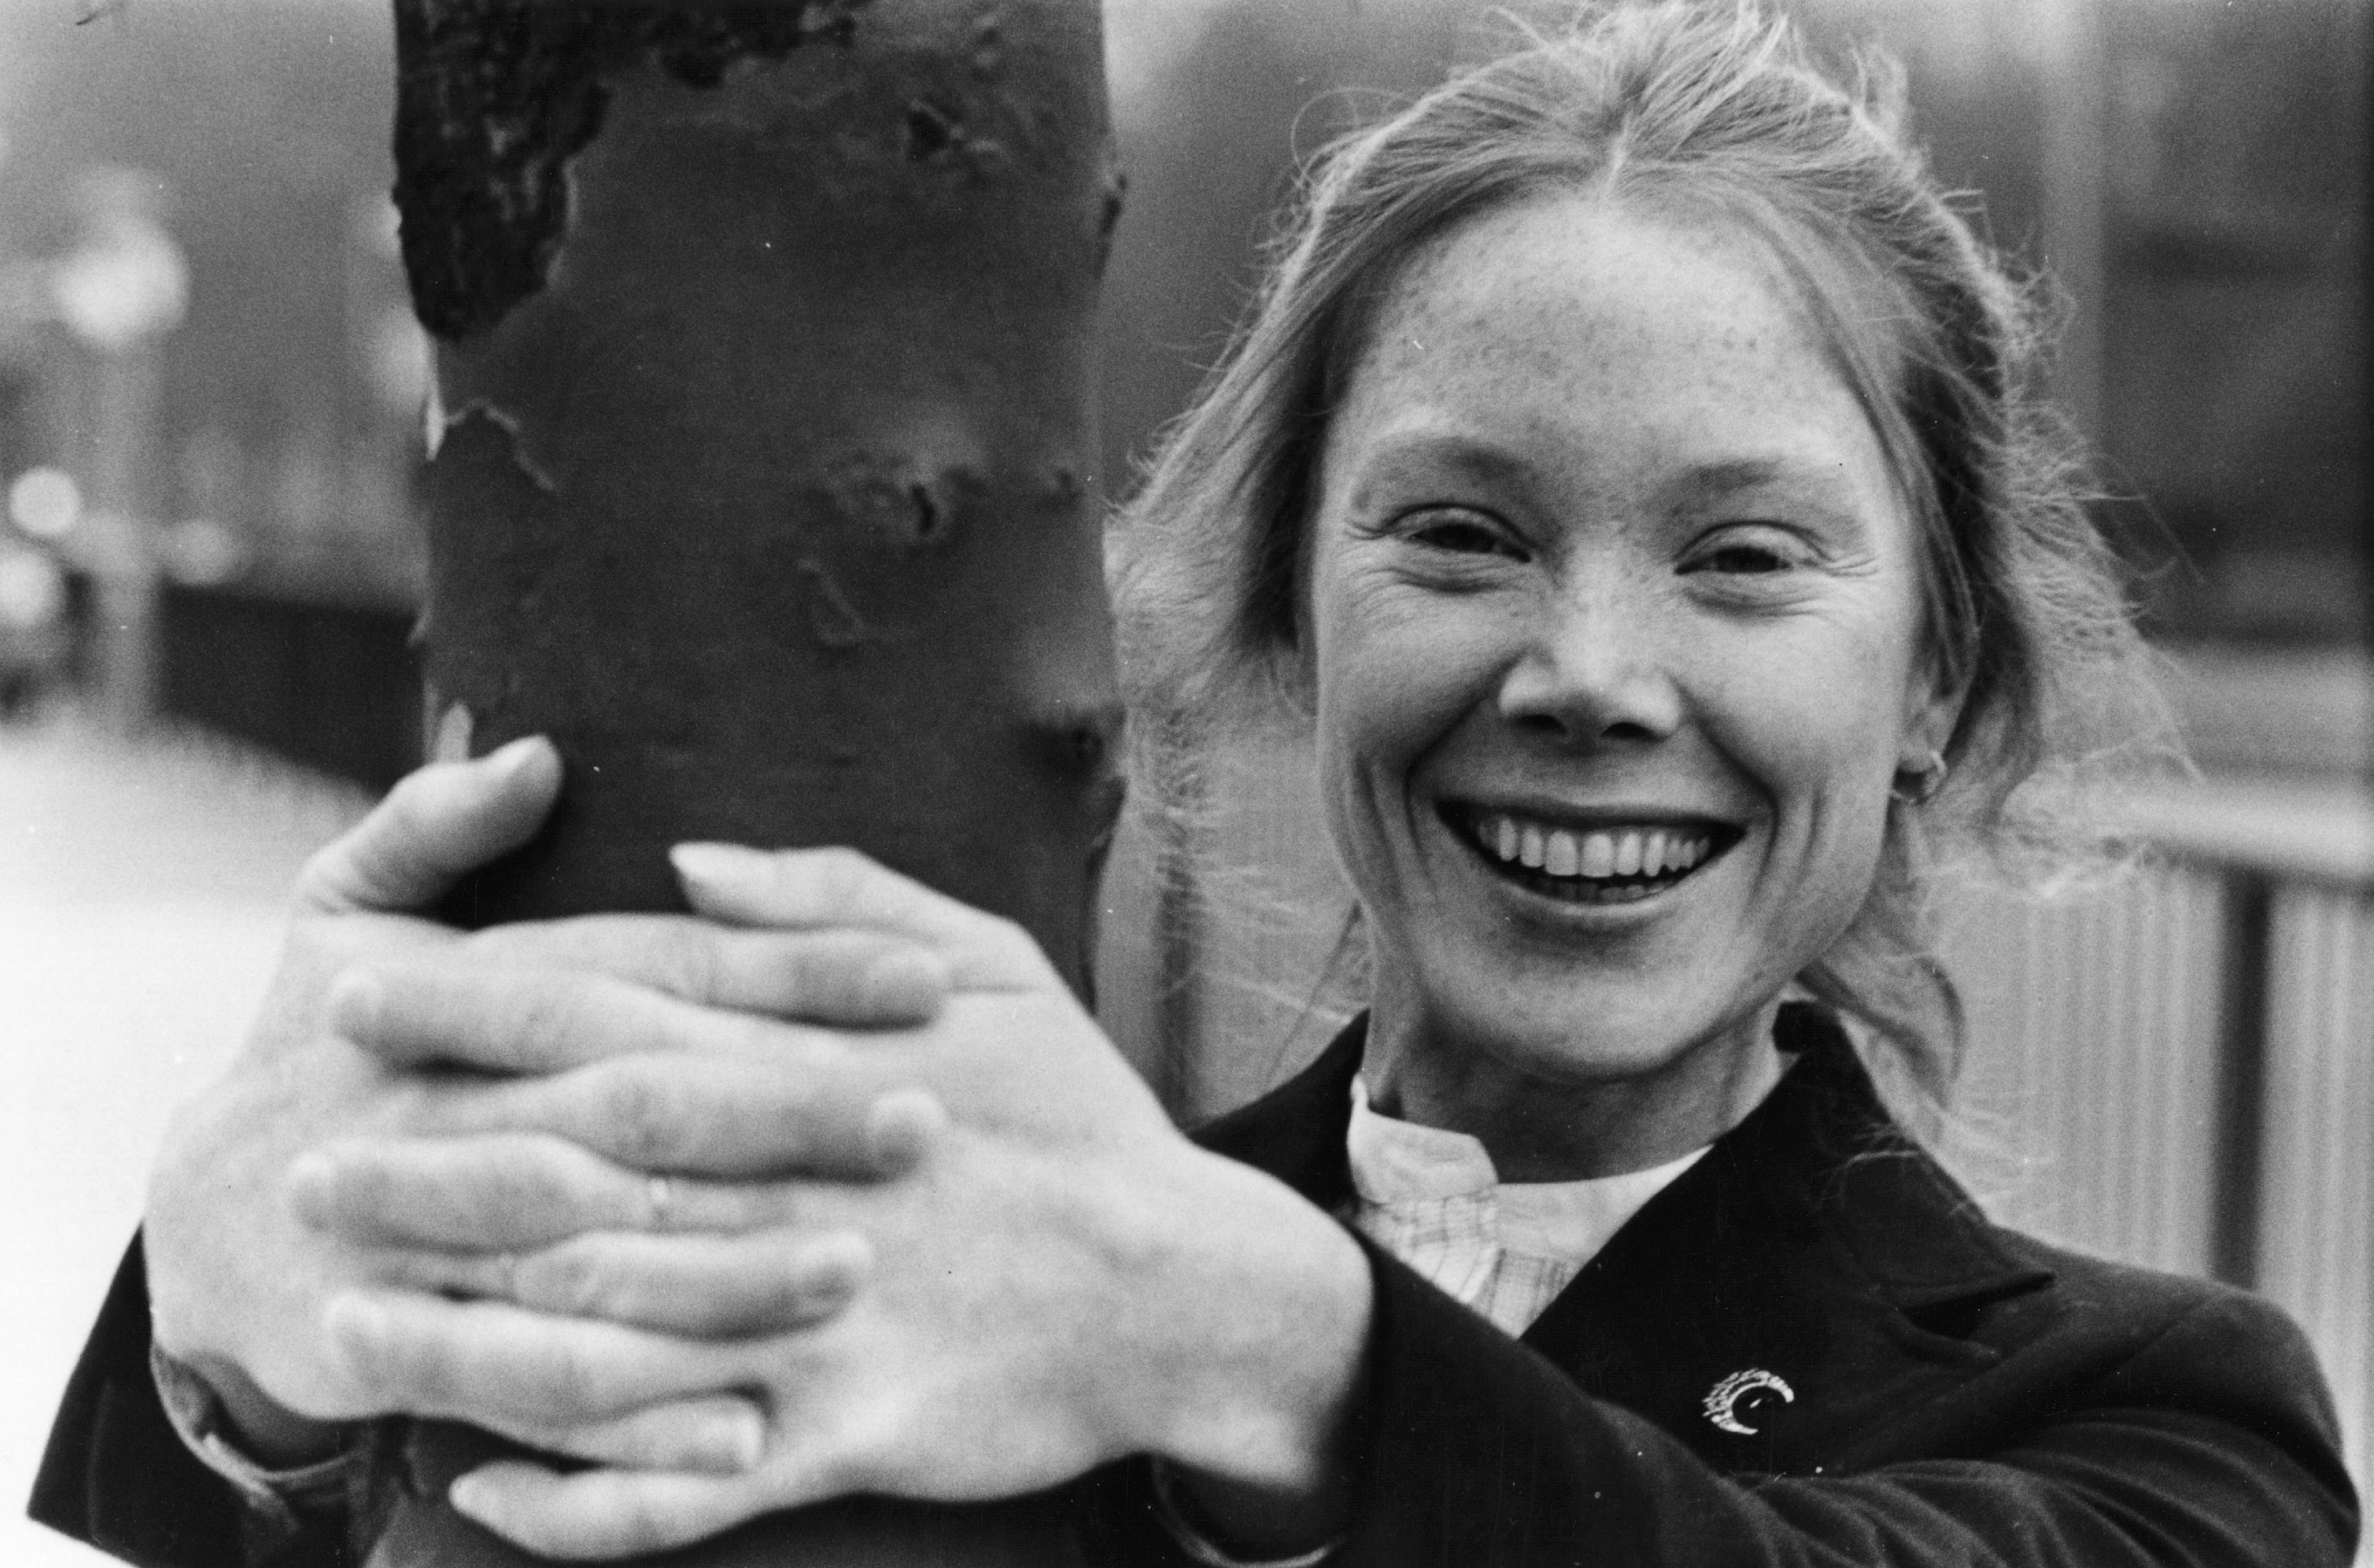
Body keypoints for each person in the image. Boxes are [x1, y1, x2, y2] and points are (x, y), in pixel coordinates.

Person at [33, 4, 2359, 1565]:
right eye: (1454, 532)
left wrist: (1269, 1349)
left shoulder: (2168, 1426)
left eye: (1741, 561)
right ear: (1277, 609)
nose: (1581, 672)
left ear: (1937, 674)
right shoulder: (1012, 1266)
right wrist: (248, 1361)